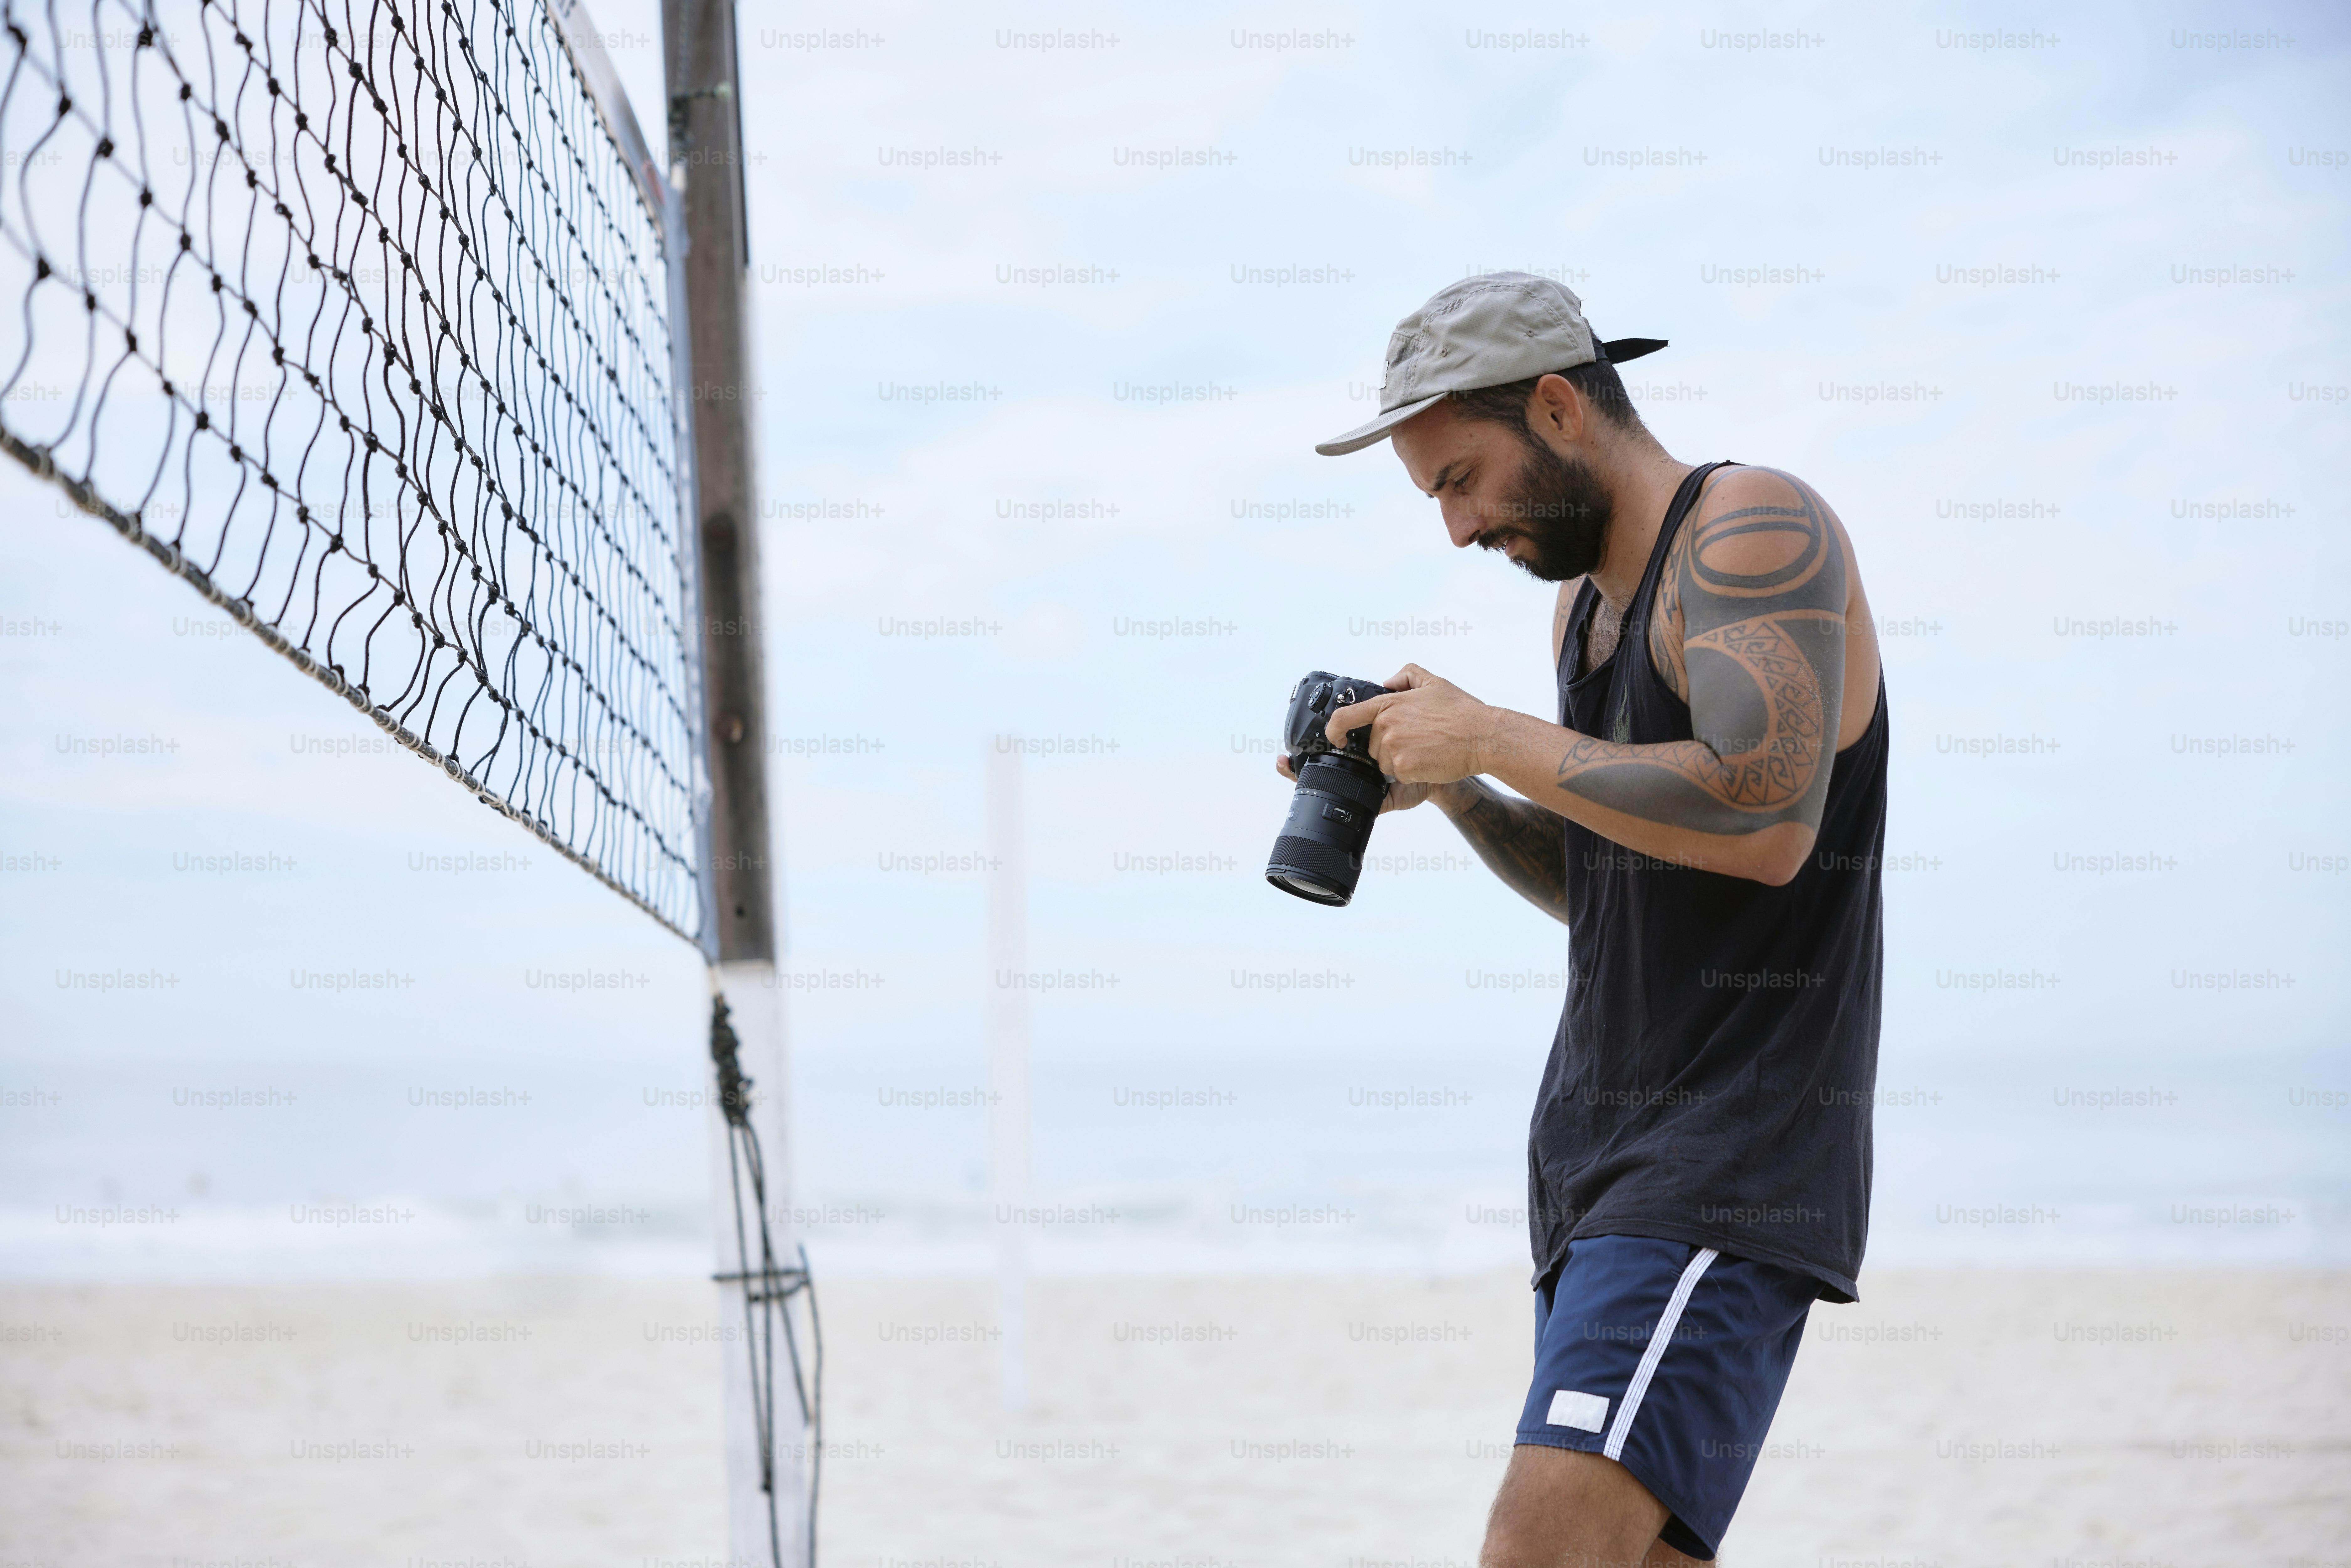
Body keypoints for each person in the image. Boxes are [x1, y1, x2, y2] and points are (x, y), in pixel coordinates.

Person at [1286, 272, 1889, 1565]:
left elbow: (1766, 815)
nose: (1454, 530)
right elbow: (1611, 883)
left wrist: (1497, 733)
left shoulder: (1751, 527)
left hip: (1720, 1171)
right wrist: (1453, 788)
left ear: (1558, 405)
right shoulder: (1588, 610)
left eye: (1461, 480)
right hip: (1598, 1178)